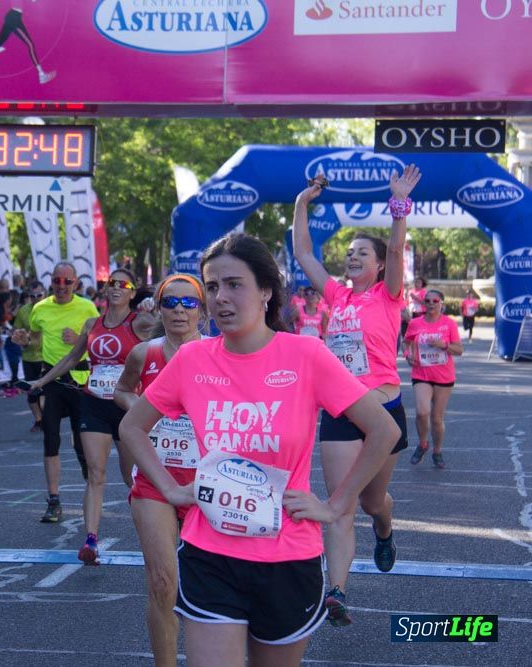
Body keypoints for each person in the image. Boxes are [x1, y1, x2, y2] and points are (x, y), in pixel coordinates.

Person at [119, 233, 399, 667]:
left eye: (234, 284)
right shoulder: (192, 360)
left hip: (288, 557)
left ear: (266, 291)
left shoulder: (305, 354)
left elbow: (383, 430)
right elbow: (132, 427)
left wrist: (335, 505)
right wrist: (170, 490)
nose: (220, 298)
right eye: (212, 287)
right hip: (210, 553)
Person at [293, 165, 421, 626]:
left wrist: (399, 206)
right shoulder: (336, 296)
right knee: (340, 504)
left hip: (383, 409)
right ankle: (337, 591)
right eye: (349, 252)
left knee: (371, 502)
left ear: (379, 264)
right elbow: (303, 252)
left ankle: (384, 528)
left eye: (361, 252)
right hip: (341, 410)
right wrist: (301, 203)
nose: (351, 257)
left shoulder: (389, 295)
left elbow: (397, 247)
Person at [113, 274, 205, 667]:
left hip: (208, 482)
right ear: (159, 308)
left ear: (202, 310)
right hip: (154, 479)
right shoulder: (144, 354)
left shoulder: (220, 353)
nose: (180, 310)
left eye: (189, 303)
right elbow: (121, 389)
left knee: (208, 588)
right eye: (171, 302)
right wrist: (142, 411)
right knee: (164, 582)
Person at [28, 269, 151, 563]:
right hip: (93, 402)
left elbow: (173, 330)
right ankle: (91, 541)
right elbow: (73, 358)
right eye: (111, 283)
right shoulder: (91, 324)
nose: (116, 287)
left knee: (131, 478)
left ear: (132, 292)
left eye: (123, 284)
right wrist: (42, 381)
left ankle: (153, 533)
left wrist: (155, 305)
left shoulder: (141, 322)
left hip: (127, 407)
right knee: (96, 474)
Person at [12, 262, 98, 523]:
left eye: (67, 282)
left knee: (82, 442)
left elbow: (100, 341)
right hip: (52, 379)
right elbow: (35, 337)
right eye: (57, 281)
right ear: (51, 282)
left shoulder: (87, 307)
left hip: (80, 379)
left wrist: (81, 339)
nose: (61, 286)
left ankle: (91, 487)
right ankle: (53, 500)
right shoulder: (40, 308)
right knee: (50, 438)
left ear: (76, 284)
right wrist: (25, 340)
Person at [404, 290, 462, 470]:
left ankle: (437, 451)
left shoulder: (449, 324)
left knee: (436, 418)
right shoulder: (415, 323)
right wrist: (407, 355)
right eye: (427, 300)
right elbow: (406, 342)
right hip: (421, 374)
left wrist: (443, 345)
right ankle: (423, 444)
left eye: (435, 300)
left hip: (444, 376)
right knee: (422, 412)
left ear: (441, 303)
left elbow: (459, 350)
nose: (431, 303)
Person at [12, 281, 46, 431]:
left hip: (47, 356)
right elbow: (16, 330)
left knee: (46, 391)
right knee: (32, 392)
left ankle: (47, 418)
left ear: (45, 294)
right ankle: (39, 420)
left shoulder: (51, 308)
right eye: (32, 296)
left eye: (39, 295)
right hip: (29, 356)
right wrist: (20, 336)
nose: (36, 298)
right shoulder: (24, 311)